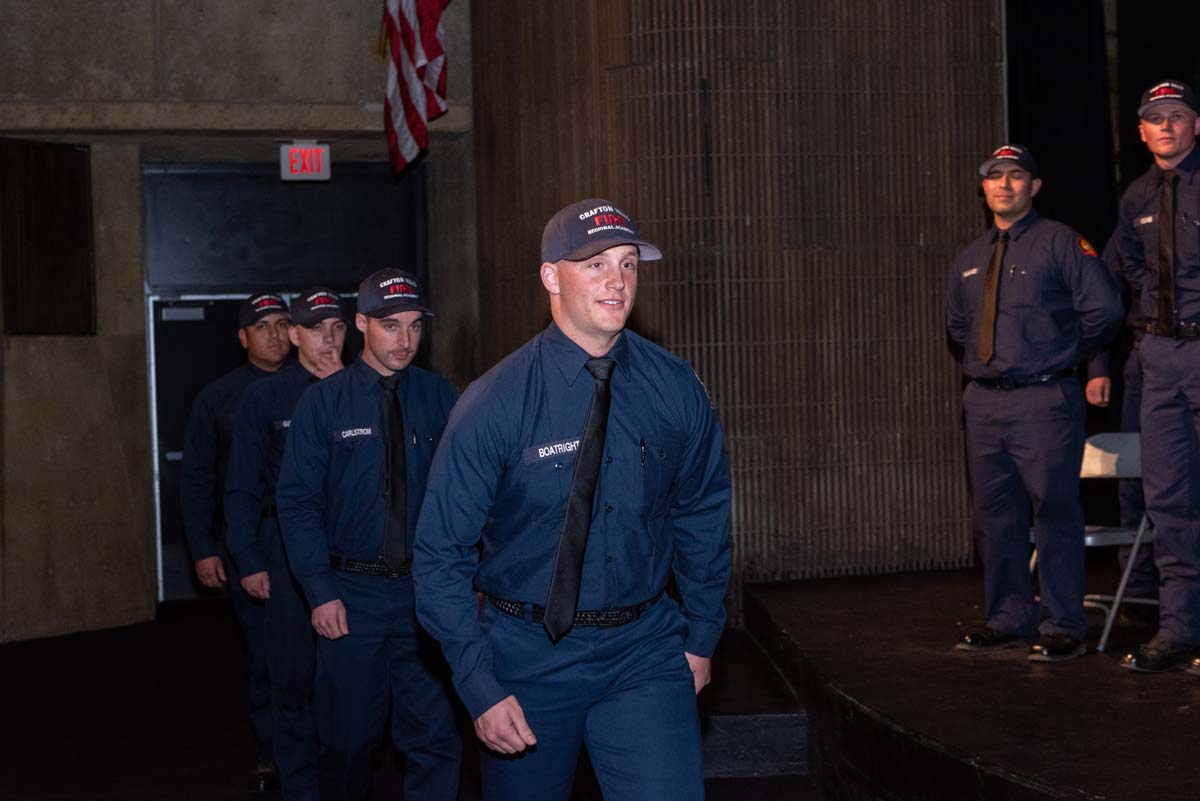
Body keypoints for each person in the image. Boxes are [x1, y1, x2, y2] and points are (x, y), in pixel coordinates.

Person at [413, 198, 732, 801]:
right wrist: (479, 682)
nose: (617, 280)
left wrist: (701, 634)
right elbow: (439, 553)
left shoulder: (675, 387)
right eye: (595, 264)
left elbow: (702, 513)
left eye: (629, 262)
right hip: (525, 659)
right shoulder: (496, 402)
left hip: (645, 651)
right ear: (551, 276)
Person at [276, 270, 461, 801]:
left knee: (435, 739)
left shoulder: (442, 397)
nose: (404, 341)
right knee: (348, 743)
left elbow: (465, 498)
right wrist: (319, 590)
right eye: (389, 326)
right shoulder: (323, 403)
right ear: (361, 324)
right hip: (350, 598)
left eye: (413, 327)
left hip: (425, 595)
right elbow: (298, 502)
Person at [947, 145, 1122, 662]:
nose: (1004, 185)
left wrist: (1065, 356)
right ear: (983, 188)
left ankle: (1064, 625)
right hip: (983, 404)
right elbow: (957, 327)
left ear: (1035, 186)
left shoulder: (1061, 242)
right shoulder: (969, 258)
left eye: (1016, 176)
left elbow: (1105, 310)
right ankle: (1008, 619)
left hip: (1044, 399)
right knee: (993, 517)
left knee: (1055, 511)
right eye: (994, 177)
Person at [225, 288, 349, 801]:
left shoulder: (364, 389)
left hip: (351, 555)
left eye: (338, 328)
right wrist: (248, 559)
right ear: (294, 334)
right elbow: (241, 484)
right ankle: (300, 788)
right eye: (316, 329)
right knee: (291, 675)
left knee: (344, 681)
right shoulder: (265, 398)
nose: (328, 339)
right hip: (283, 553)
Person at [180, 292, 292, 792]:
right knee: (267, 654)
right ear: (243, 337)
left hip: (310, 547)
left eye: (282, 323)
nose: (274, 334)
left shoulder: (316, 385)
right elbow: (198, 477)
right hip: (252, 544)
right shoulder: (218, 398)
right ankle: (271, 752)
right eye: (262, 325)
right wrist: (204, 546)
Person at [1113, 80, 1200, 673]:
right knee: (1167, 499)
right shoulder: (1137, 195)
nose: (1165, 126)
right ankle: (1179, 629)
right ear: (1141, 132)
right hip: (1161, 357)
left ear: (1197, 124)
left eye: (1177, 115)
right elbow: (1131, 275)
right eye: (1154, 118)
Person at [1084, 240, 1158, 616]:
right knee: (1135, 482)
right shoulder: (1139, 199)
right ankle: (1139, 590)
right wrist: (1097, 366)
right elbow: (1104, 292)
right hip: (1147, 353)